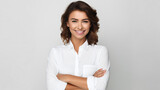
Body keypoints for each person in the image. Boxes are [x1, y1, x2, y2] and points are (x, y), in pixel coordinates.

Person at [46, 1, 110, 90]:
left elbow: (100, 87)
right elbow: (52, 87)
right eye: (74, 21)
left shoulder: (100, 52)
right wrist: (90, 81)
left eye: (85, 21)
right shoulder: (56, 53)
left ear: (90, 24)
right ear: (67, 23)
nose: (79, 27)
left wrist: (67, 78)